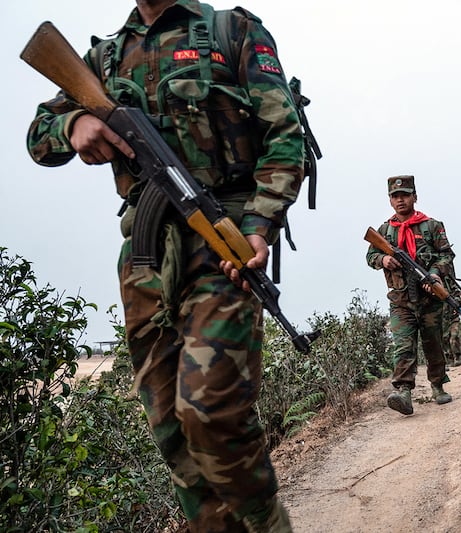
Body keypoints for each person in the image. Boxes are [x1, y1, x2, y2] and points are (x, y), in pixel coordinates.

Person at [26, 1, 305, 531]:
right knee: (170, 428)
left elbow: (285, 136)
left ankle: (267, 522)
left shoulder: (229, 31)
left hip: (223, 244)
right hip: (145, 258)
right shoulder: (106, 57)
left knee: (209, 411)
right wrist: (75, 123)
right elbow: (39, 136)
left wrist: (259, 225)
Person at [366, 175, 456, 415]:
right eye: (395, 196)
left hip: (429, 299)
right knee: (403, 346)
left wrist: (434, 275)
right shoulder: (385, 231)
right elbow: (370, 256)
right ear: (390, 200)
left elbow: (446, 255)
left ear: (414, 197)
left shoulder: (432, 226)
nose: (400, 200)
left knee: (433, 343)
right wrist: (383, 259)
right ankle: (403, 392)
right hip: (400, 300)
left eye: (405, 195)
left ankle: (437, 385)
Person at [442, 284, 461, 366]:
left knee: (454, 337)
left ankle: (457, 357)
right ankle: (449, 359)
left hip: (454, 319)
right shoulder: (439, 290)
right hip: (444, 320)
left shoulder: (455, 293)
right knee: (444, 339)